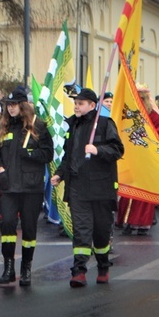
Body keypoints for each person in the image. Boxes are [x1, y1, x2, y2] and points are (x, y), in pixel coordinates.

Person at [52, 88, 123, 286]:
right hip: (78, 186)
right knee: (81, 230)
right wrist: (60, 173)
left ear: (92, 105)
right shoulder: (72, 126)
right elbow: (69, 157)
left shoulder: (105, 124)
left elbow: (117, 149)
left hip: (101, 187)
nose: (76, 106)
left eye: (81, 103)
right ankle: (79, 271)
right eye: (75, 103)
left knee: (100, 230)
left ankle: (102, 266)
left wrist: (98, 150)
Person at [0, 87, 54, 286]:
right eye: (8, 105)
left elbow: (48, 155)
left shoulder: (39, 127)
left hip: (31, 187)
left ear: (23, 105)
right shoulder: (4, 129)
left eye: (14, 105)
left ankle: (26, 268)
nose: (10, 109)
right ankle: (8, 266)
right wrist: (0, 168)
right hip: (9, 186)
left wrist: (30, 154)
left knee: (29, 229)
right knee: (8, 224)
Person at [117, 85, 159, 235]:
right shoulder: (128, 111)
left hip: (146, 157)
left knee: (144, 192)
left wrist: (144, 142)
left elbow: (158, 133)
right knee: (128, 190)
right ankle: (126, 221)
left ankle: (141, 223)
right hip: (130, 157)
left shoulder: (154, 115)